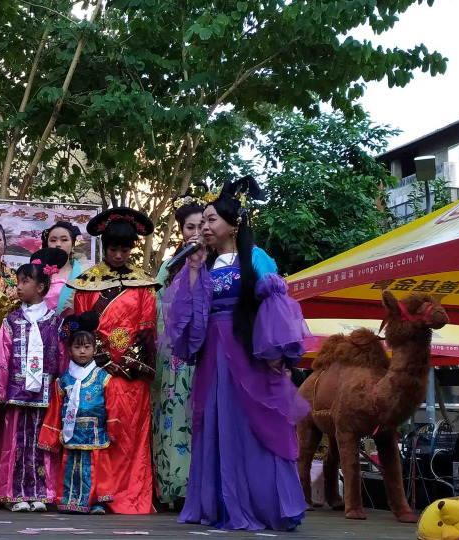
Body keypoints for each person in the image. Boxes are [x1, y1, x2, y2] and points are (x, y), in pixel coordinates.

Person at [168, 176, 309, 531]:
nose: (204, 227)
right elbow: (186, 309)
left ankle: (263, 504)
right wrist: (194, 267)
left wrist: (275, 351)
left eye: (211, 220)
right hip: (213, 355)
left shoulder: (256, 258)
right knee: (215, 422)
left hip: (247, 351)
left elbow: (275, 304)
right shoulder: (204, 262)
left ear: (234, 224)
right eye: (202, 221)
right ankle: (218, 505)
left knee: (252, 423)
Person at [69, 207, 158, 515]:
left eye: (125, 249)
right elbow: (82, 328)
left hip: (131, 375)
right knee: (99, 432)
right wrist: (103, 360)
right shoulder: (85, 283)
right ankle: (97, 493)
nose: (119, 255)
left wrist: (128, 363)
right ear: (104, 246)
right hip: (96, 373)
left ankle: (131, 493)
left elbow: (147, 328)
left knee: (130, 434)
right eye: (113, 249)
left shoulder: (144, 284)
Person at [0, 249, 67, 512]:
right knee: (16, 443)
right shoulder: (12, 320)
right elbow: (2, 357)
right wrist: (0, 391)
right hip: (17, 392)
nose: (19, 287)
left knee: (42, 443)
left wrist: (62, 390)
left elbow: (63, 357)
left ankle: (42, 493)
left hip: (46, 392)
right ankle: (15, 493)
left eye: (25, 282)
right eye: (18, 282)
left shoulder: (55, 322)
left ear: (40, 287)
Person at [39, 312, 124, 515]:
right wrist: (52, 435)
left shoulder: (103, 377)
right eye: (77, 347)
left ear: (95, 349)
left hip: (95, 432)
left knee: (95, 468)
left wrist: (113, 429)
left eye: (87, 347)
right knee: (72, 467)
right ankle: (71, 501)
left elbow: (113, 405)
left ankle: (96, 503)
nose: (82, 351)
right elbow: (55, 409)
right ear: (70, 350)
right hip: (72, 431)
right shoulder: (64, 379)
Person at [150, 189, 204, 509]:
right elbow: (154, 307)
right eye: (189, 227)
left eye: (200, 226)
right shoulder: (169, 267)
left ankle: (197, 487)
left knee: (197, 418)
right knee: (170, 416)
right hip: (172, 357)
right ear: (181, 230)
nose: (195, 233)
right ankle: (170, 487)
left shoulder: (216, 263)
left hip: (203, 354)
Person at [41, 222, 87, 317]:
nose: (58, 244)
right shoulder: (37, 272)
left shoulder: (83, 274)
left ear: (73, 245)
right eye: (53, 240)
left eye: (64, 240)